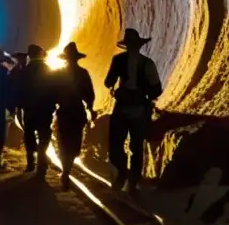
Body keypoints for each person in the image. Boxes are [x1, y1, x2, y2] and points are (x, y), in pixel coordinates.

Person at [104, 27, 162, 192]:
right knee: (137, 146)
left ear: (126, 45)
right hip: (139, 110)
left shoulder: (118, 60)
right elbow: (156, 89)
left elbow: (108, 82)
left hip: (121, 108)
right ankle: (133, 181)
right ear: (139, 45)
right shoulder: (148, 63)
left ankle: (121, 173)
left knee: (116, 143)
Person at [53, 42, 95, 190]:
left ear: (65, 59)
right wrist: (90, 108)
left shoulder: (58, 74)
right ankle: (67, 169)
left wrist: (53, 105)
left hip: (64, 112)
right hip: (77, 112)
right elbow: (89, 94)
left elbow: (52, 93)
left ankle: (65, 169)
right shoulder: (83, 73)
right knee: (74, 142)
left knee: (63, 141)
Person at [18, 44, 55, 174]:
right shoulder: (48, 70)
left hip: (29, 109)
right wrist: (53, 104)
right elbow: (54, 89)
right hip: (45, 109)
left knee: (29, 134)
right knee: (44, 135)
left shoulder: (24, 71)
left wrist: (19, 106)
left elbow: (19, 90)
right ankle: (42, 161)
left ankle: (30, 163)